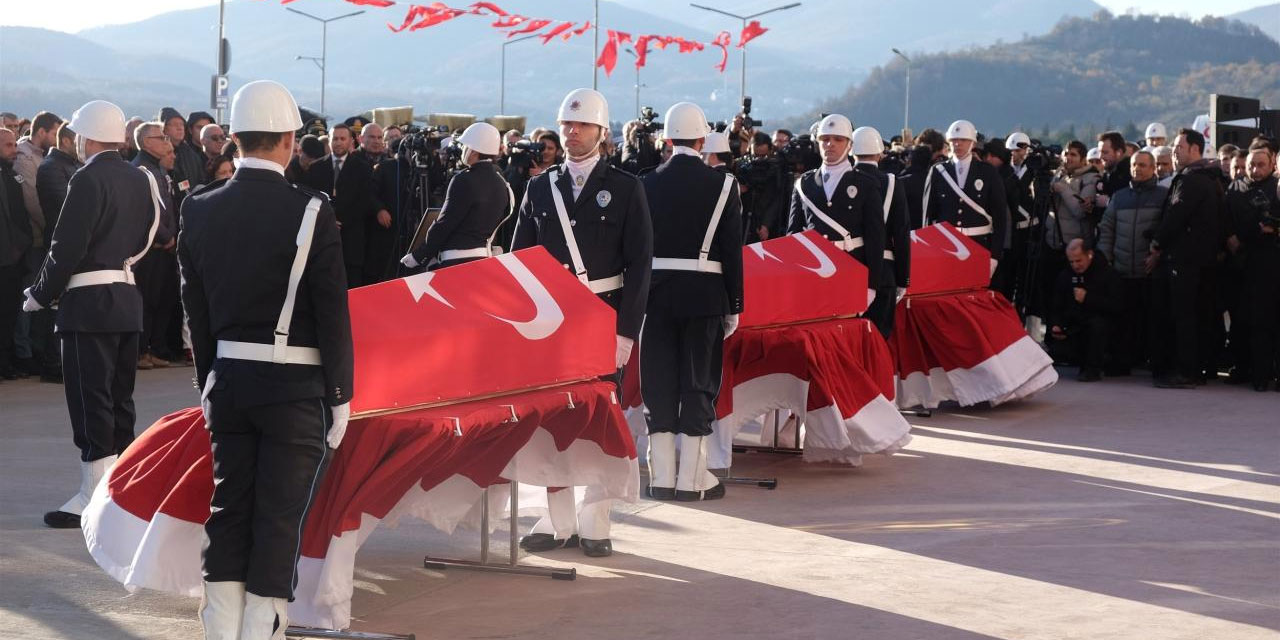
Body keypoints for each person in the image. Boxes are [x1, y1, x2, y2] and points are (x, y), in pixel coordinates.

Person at [178, 80, 354, 639]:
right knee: (278, 517)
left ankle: (220, 630)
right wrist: (341, 395)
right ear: (287, 139)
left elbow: (196, 310)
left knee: (230, 509)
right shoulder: (311, 210)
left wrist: (210, 379)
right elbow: (332, 313)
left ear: (232, 138)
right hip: (295, 388)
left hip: (228, 380)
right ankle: (261, 632)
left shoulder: (199, 207)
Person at [511, 87, 653, 558]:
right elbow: (520, 262)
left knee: (596, 423)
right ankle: (558, 523)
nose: (572, 134)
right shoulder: (538, 187)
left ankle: (596, 523)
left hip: (601, 319)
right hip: (551, 325)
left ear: (602, 132)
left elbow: (639, 267)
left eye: (582, 126)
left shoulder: (628, 187)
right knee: (552, 422)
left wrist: (625, 332)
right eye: (567, 125)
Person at [24, 100, 162, 528]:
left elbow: (66, 246)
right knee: (120, 398)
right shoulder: (141, 178)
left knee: (90, 399)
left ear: (84, 138)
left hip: (88, 303)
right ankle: (123, 490)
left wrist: (40, 293)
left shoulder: (86, 178)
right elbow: (153, 234)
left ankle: (93, 495)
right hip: (125, 297)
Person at [639, 102, 743, 502]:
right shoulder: (725, 185)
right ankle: (692, 479)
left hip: (655, 295)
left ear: (667, 140)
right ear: (703, 140)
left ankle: (661, 477)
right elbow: (731, 252)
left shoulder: (645, 183)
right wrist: (734, 304)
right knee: (698, 382)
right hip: (705, 295)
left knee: (659, 381)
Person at [1149, 128, 1225, 389]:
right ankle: (1197, 368)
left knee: (1184, 316)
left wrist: (1157, 242)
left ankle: (1187, 371)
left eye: (1179, 147)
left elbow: (1176, 215)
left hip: (1186, 260)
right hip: (1202, 259)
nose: (1174, 151)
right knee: (1197, 315)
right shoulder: (1210, 178)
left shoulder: (1191, 180)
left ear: (1195, 149)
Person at [788, 114, 884, 307]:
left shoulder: (865, 184)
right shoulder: (804, 184)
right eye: (825, 139)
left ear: (849, 144)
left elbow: (875, 237)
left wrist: (871, 285)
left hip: (851, 268)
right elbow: (794, 235)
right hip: (813, 270)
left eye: (837, 139)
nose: (830, 144)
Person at [400, 122, 513, 271]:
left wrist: (419, 255)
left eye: (465, 146)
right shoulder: (501, 182)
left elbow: (445, 223)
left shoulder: (464, 179)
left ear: (473, 151)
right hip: (484, 261)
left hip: (455, 262)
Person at [1096, 149, 1166, 374]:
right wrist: (1105, 257)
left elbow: (1167, 230)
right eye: (1135, 164)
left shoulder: (1163, 196)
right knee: (1123, 320)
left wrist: (1157, 254)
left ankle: (1153, 361)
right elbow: (1106, 229)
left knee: (1152, 320)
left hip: (1149, 270)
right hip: (1122, 269)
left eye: (1143, 165)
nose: (1137, 169)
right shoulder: (1120, 197)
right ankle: (1123, 362)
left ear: (1153, 168)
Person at [923, 119, 1009, 280]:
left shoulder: (987, 172)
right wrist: (929, 252)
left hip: (978, 245)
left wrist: (994, 256)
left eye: (963, 140)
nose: (958, 144)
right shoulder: (938, 171)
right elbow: (928, 216)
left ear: (972, 143)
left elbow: (1000, 217)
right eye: (954, 140)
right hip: (945, 246)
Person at [1226, 146, 1280, 390]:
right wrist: (1229, 237)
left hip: (1270, 265)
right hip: (1241, 266)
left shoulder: (1276, 190)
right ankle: (1250, 372)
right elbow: (1223, 219)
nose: (1256, 170)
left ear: (1271, 166)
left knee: (1268, 323)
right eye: (1251, 165)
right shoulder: (1234, 189)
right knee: (1247, 323)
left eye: (1261, 165)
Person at [852, 126, 910, 337]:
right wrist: (903, 279)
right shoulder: (892, 182)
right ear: (879, 153)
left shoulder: (844, 181)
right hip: (884, 272)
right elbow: (901, 235)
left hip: (850, 269)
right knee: (879, 338)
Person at [303, 123, 379, 287]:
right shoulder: (316, 168)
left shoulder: (363, 169)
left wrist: (341, 221)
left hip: (352, 242)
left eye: (342, 139)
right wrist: (328, 220)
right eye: (335, 139)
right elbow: (311, 198)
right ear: (329, 141)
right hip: (322, 241)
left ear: (351, 141)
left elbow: (364, 202)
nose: (338, 142)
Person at [131, 121, 180, 369]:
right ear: (147, 142)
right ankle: (140, 351)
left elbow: (167, 207)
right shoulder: (140, 169)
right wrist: (165, 236)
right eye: (161, 137)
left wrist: (172, 234)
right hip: (149, 247)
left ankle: (154, 347)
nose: (166, 141)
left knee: (162, 299)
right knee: (146, 300)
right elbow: (148, 211)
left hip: (165, 245)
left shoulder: (158, 168)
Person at [1047, 238, 1122, 381]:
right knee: (1058, 349)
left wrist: (1088, 298)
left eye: (1079, 261)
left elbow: (1116, 305)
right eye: (1072, 262)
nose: (1075, 265)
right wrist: (1056, 324)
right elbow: (1057, 304)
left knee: (1097, 327)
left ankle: (1094, 368)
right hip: (1074, 322)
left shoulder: (1108, 274)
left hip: (1100, 323)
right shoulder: (1065, 276)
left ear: (1089, 255)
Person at [0, 127, 33, 380]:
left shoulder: (10, 175)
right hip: (5, 256)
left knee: (10, 313)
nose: (15, 150)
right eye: (9, 145)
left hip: (12, 257)